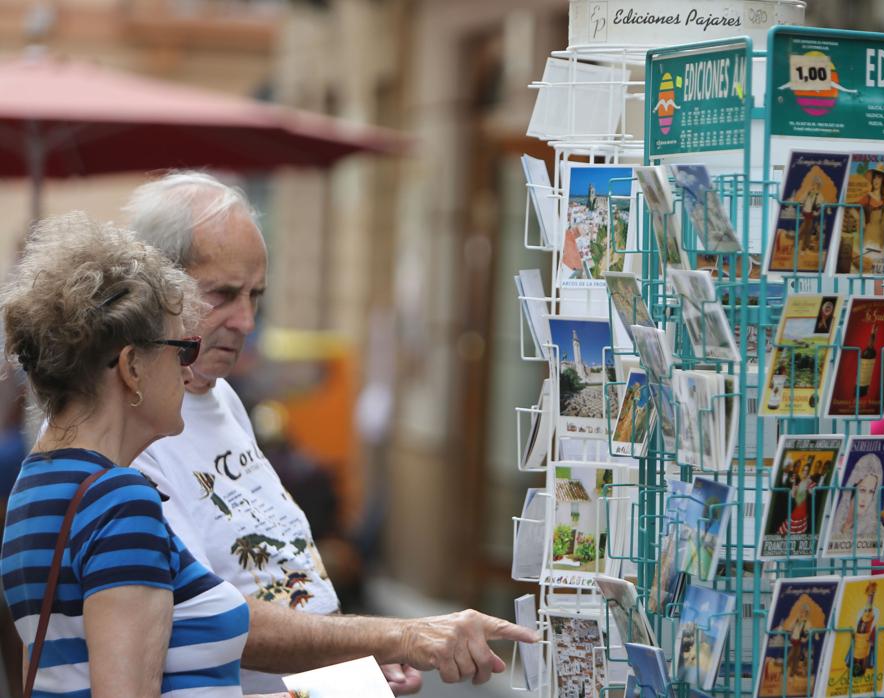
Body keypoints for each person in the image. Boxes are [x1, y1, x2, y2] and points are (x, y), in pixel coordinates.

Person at [120, 171, 535, 693]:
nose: (247, 321)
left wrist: (348, 670)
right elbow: (204, 614)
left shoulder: (221, 394)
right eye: (223, 294)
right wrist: (392, 637)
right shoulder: (129, 424)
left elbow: (266, 570)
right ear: (156, 287)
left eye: (257, 295)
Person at [0, 213, 270, 696]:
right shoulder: (120, 501)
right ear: (131, 368)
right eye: (182, 350)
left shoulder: (34, 484)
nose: (190, 372)